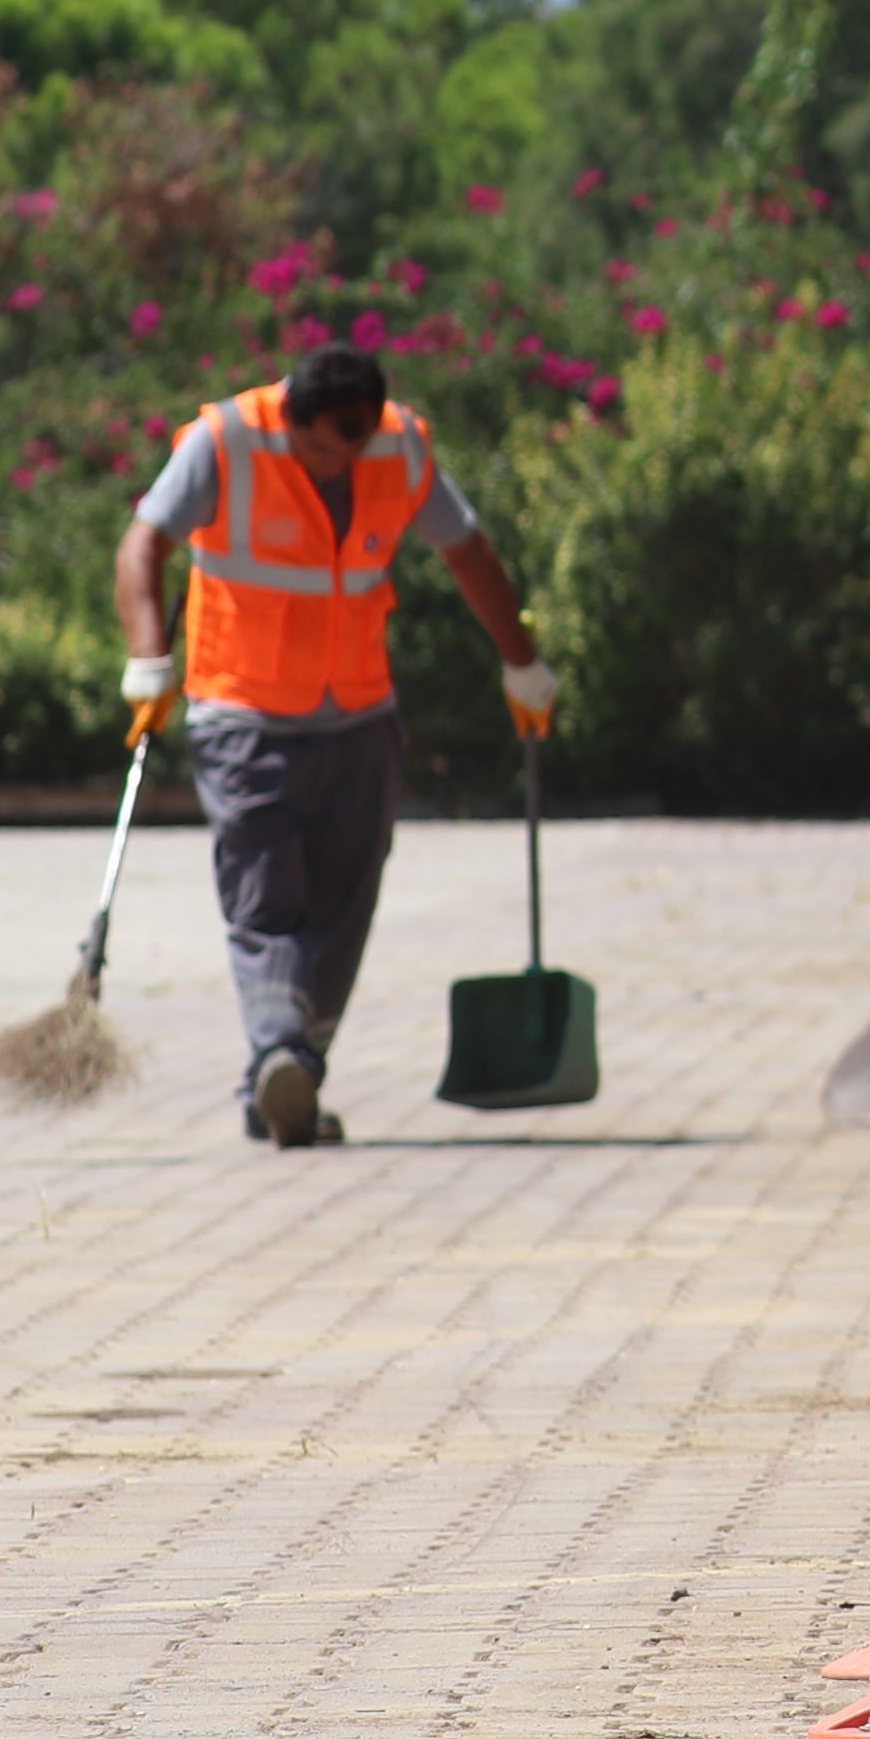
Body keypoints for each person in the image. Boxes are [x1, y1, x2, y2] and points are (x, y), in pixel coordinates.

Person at [110, 342, 553, 1150]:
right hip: (241, 711)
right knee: (265, 894)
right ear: (291, 417)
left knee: (346, 902)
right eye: (317, 449)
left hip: (359, 715)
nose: (333, 464)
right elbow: (142, 546)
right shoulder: (228, 440)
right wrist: (148, 657)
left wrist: (522, 665)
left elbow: (468, 551)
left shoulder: (398, 445)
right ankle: (280, 1050)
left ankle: (287, 1074)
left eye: (348, 449)